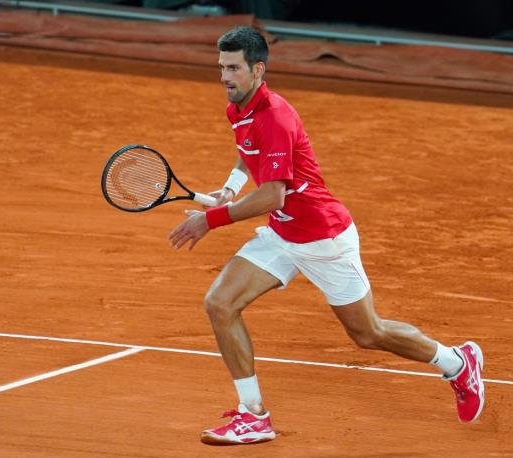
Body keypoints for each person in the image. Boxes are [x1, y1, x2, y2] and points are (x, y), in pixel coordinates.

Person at [168, 25, 484, 446]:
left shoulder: (275, 116)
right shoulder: (239, 107)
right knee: (220, 303)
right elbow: (248, 153)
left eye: (234, 68)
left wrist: (211, 220)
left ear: (258, 70)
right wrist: (230, 186)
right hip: (282, 233)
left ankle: (456, 362)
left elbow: (273, 195)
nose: (225, 77)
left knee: (368, 333)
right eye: (222, 67)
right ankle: (253, 415)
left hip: (323, 237)